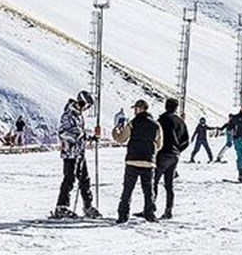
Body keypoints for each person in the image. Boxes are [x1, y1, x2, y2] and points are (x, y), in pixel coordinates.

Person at [112, 99, 163, 224]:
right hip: (148, 162)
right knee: (148, 190)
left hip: (132, 160)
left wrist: (115, 131)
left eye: (135, 108)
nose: (134, 111)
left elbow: (121, 139)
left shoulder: (132, 123)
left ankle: (123, 215)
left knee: (127, 190)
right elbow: (159, 144)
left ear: (140, 109)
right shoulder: (156, 125)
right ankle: (149, 214)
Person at [53, 91, 101, 219]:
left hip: (79, 152)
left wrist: (92, 138)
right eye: (87, 105)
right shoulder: (68, 115)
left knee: (85, 179)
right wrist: (78, 135)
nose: (87, 108)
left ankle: (88, 206)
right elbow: (63, 133)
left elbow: (80, 134)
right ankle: (61, 206)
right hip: (70, 153)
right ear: (82, 102)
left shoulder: (78, 115)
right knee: (69, 179)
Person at [153, 98, 190, 219]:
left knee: (153, 181)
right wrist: (178, 150)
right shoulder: (180, 122)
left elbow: (156, 136)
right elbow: (186, 141)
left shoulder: (162, 120)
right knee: (169, 185)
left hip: (162, 153)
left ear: (166, 106)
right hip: (175, 155)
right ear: (176, 107)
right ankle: (168, 210)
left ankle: (150, 208)